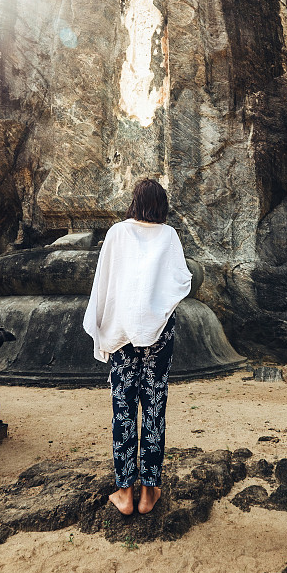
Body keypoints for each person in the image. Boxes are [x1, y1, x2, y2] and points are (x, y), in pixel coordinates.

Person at [83, 178, 192, 515]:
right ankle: (149, 491)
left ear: (135, 201)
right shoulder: (169, 236)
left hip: (122, 330)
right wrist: (154, 311)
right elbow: (181, 281)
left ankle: (124, 493)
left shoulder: (117, 233)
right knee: (154, 404)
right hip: (158, 331)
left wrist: (105, 323)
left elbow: (105, 282)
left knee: (124, 407)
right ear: (162, 205)